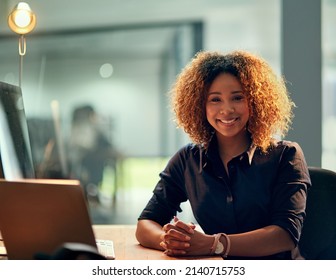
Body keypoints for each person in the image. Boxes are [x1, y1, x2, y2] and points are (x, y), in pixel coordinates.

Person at [135, 50, 311, 260]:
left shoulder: (286, 155)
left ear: (255, 101)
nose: (226, 109)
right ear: (200, 106)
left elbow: (285, 234)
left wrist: (214, 244)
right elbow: (146, 223)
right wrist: (172, 240)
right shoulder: (187, 160)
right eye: (215, 100)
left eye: (237, 98)